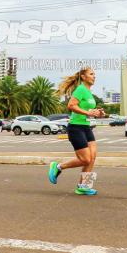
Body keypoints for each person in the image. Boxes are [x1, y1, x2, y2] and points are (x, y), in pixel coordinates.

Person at [47, 66, 105, 196]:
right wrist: (88, 112)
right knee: (85, 159)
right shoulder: (80, 89)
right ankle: (58, 167)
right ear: (83, 77)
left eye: (94, 74)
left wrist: (98, 113)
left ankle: (83, 186)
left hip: (86, 126)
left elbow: (88, 111)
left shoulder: (89, 92)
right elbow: (71, 105)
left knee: (93, 157)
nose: (94, 76)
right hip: (75, 127)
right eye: (91, 74)